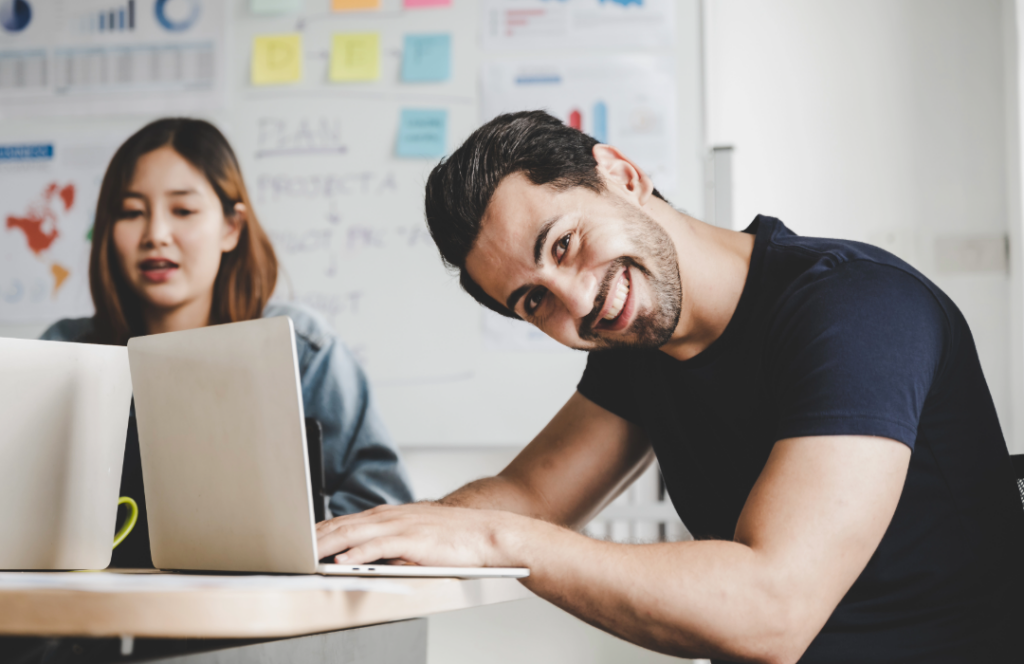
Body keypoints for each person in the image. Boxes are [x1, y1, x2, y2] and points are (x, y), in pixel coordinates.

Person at [316, 111, 1024, 663]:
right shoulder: (639, 343)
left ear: (621, 174)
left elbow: (771, 610)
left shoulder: (858, 309)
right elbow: (528, 496)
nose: (577, 302)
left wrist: (495, 539)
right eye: (533, 303)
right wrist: (334, 543)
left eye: (562, 244)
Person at [42, 118, 413, 567]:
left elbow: (384, 505)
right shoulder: (64, 351)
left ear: (231, 228)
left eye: (183, 211)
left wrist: (299, 537)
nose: (155, 233)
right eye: (132, 211)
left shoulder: (302, 348)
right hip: (88, 614)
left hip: (270, 615)